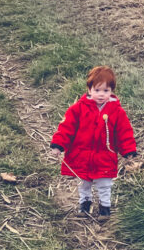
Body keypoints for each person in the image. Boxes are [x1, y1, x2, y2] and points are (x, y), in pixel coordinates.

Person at [50, 65, 139, 216]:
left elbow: (124, 132)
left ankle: (105, 207)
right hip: (81, 154)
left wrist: (128, 150)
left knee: (104, 183)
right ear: (89, 90)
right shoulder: (78, 109)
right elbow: (66, 128)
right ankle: (85, 203)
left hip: (105, 155)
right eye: (97, 90)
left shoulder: (116, 111)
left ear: (111, 91)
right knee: (83, 181)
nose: (101, 94)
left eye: (106, 90)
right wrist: (58, 145)